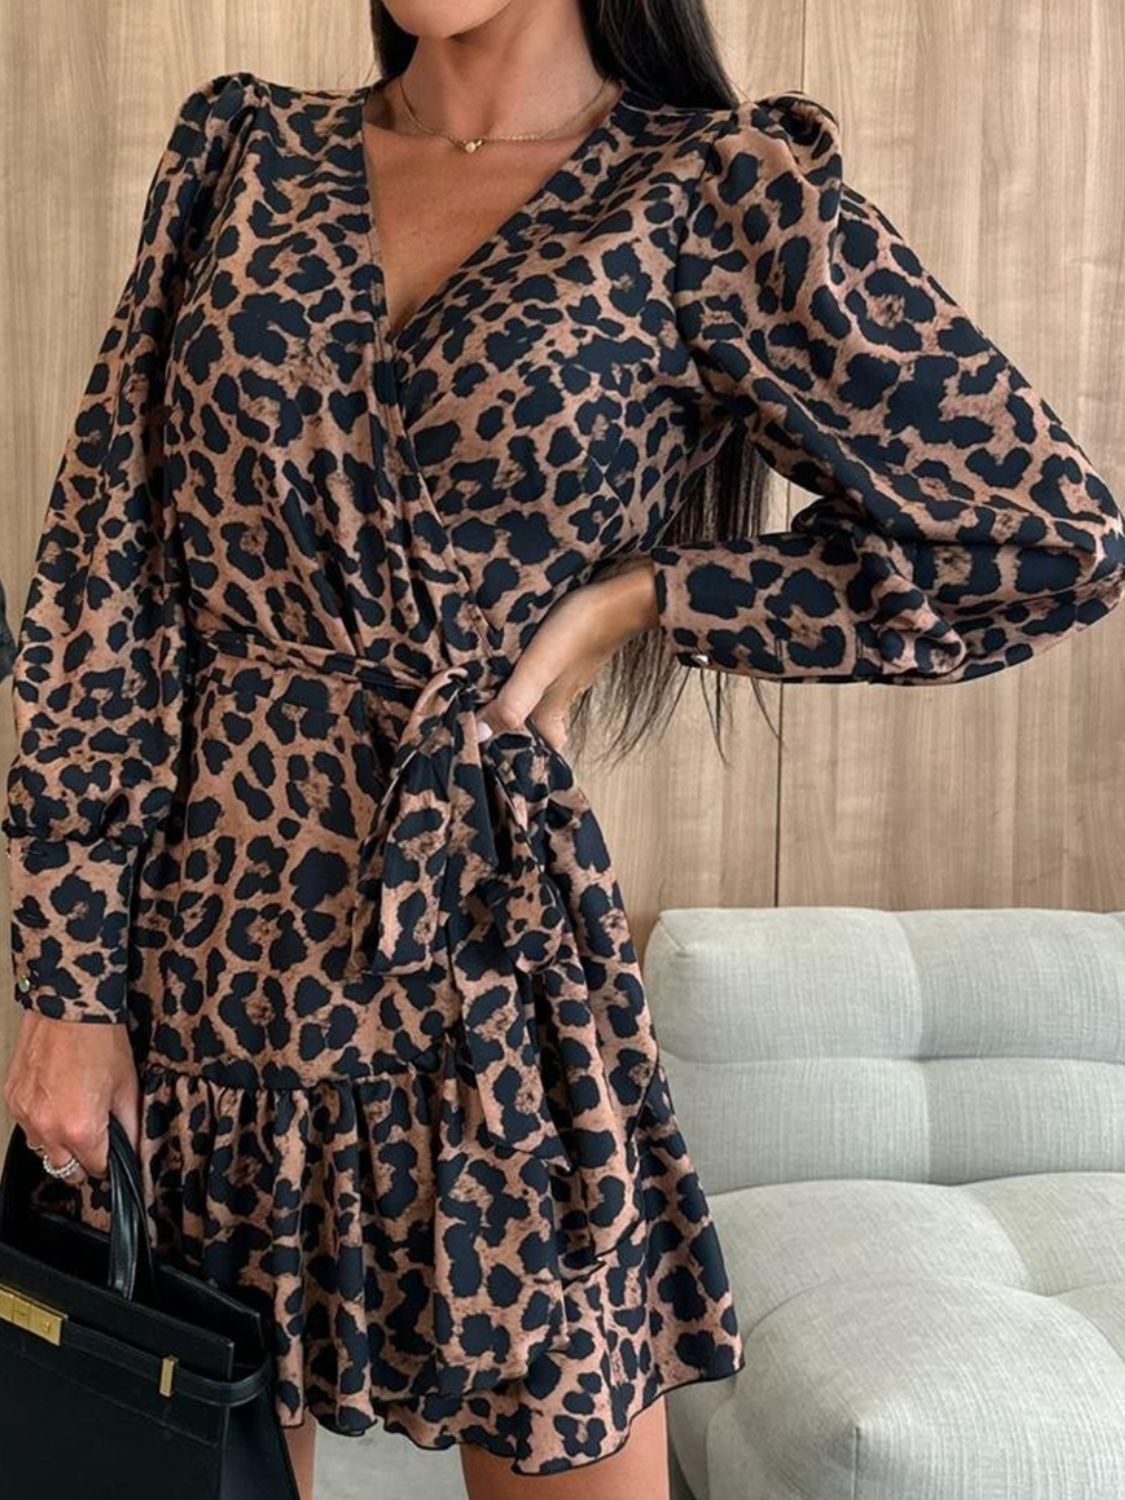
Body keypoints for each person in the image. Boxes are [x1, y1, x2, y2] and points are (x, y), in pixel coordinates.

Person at [4, 2, 1123, 1496]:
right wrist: (70, 985)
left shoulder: (714, 195)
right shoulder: (240, 155)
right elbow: (106, 577)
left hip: (490, 965)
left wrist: (650, 597)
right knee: (173, 1452)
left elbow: (1043, 538)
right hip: (205, 951)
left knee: (570, 1423)